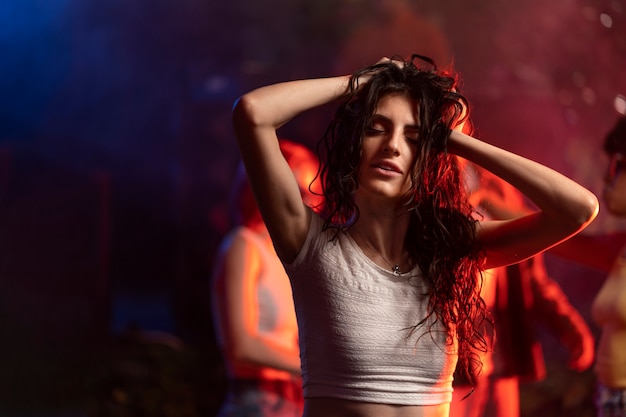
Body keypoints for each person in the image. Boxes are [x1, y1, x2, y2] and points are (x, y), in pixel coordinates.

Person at [231, 54, 599, 417]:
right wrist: (361, 83)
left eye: (413, 137)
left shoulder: (453, 252)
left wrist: (452, 140)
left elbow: (578, 209)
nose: (392, 145)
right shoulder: (310, 243)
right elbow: (253, 113)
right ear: (354, 146)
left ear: (428, 158)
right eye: (377, 128)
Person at [450, 162, 595, 417]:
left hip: (499, 359)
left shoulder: (496, 183)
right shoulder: (426, 178)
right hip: (450, 364)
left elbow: (532, 273)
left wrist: (568, 324)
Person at [211, 139, 322, 417]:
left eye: (314, 192)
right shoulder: (244, 245)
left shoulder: (291, 261)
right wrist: (319, 366)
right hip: (258, 401)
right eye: (298, 191)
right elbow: (242, 345)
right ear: (267, 184)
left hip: (295, 400)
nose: (308, 203)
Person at [549, 115, 626, 417]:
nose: (607, 178)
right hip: (609, 397)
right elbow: (562, 238)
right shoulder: (621, 248)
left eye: (617, 165)